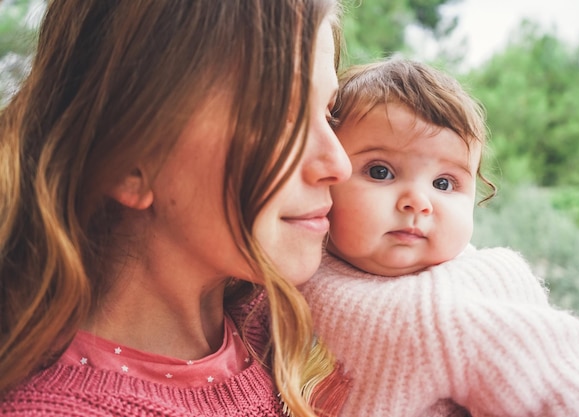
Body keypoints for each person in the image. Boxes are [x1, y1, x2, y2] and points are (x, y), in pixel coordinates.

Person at [0, 1, 354, 416]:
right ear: (129, 163)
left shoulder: (278, 319)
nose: (339, 165)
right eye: (277, 118)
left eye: (329, 115)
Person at [299, 58, 579, 416]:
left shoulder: (458, 300)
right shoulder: (298, 261)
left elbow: (568, 381)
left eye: (444, 183)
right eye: (381, 171)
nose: (418, 202)